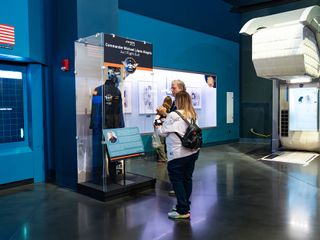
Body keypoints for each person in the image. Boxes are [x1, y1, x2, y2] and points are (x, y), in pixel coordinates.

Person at [155, 91, 200, 219]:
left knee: (177, 181)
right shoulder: (193, 114)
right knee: (187, 179)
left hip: (177, 154)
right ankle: (185, 204)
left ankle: (182, 210)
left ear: (178, 101)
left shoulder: (173, 115)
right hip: (193, 152)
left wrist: (158, 121)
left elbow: (162, 132)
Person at [156, 80, 186, 194]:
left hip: (179, 145)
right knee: (180, 172)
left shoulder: (183, 104)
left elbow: (178, 120)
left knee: (177, 171)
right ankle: (181, 195)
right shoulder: (176, 102)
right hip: (177, 143)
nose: (171, 90)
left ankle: (181, 198)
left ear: (181, 89)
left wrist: (164, 115)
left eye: (174, 88)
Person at [153, 96, 172, 162]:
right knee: (163, 144)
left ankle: (162, 158)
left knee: (160, 145)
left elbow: (156, 119)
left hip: (160, 129)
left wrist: (156, 127)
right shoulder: (169, 110)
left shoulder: (160, 108)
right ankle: (164, 158)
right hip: (165, 129)